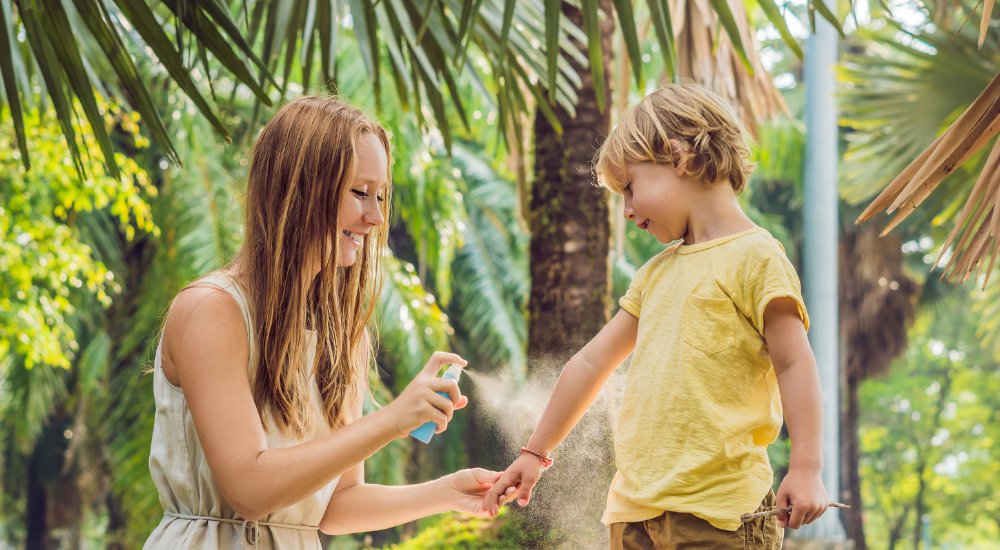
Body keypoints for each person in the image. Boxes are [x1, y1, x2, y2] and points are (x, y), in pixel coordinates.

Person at [144, 96, 509, 549]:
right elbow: (250, 491)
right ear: (298, 190)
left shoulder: (339, 337)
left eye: (380, 196)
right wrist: (393, 421)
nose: (375, 217)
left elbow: (335, 506)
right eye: (359, 192)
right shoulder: (211, 311)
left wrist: (446, 493)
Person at [483, 82, 830, 550]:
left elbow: (794, 363)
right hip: (633, 514)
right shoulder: (653, 275)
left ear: (677, 157)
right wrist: (535, 452)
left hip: (719, 516)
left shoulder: (757, 257)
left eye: (630, 189)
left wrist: (807, 468)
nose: (626, 211)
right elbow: (591, 364)